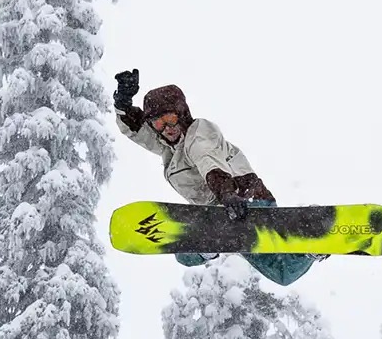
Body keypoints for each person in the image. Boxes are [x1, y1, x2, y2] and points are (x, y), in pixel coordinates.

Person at [112, 71, 315, 289]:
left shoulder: (198, 133)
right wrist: (122, 101)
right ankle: (208, 245)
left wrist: (227, 194)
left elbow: (207, 159)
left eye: (170, 120)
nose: (167, 129)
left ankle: (312, 240)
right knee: (184, 256)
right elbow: (135, 130)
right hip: (219, 211)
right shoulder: (169, 147)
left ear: (181, 114)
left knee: (282, 273)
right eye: (159, 124)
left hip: (243, 201)